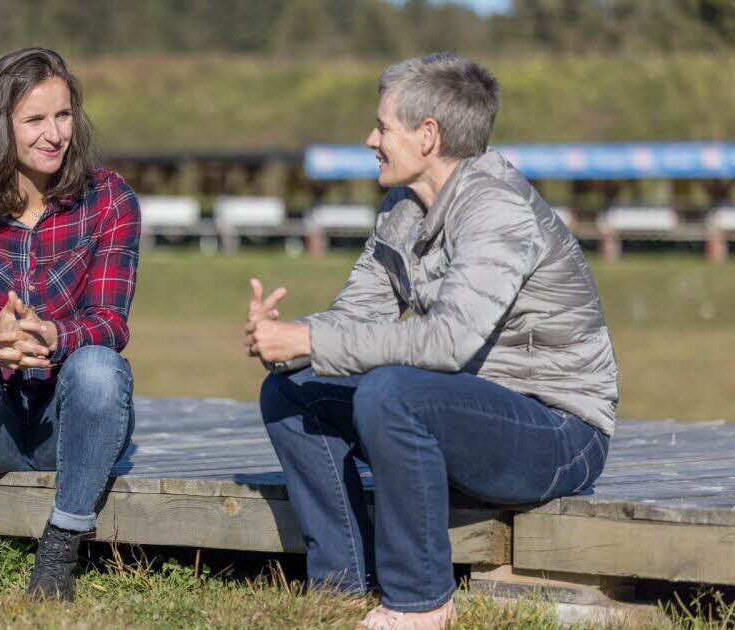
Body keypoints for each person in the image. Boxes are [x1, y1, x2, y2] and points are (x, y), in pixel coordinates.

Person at [245, 52, 618, 629]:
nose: (370, 138)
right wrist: (286, 343)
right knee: (295, 392)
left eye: (382, 126)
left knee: (390, 393)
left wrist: (311, 337)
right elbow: (355, 315)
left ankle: (420, 601)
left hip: (559, 431)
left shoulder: (498, 208)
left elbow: (448, 343)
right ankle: (341, 585)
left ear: (427, 135)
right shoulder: (402, 210)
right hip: (461, 412)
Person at [0, 47, 140, 600]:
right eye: (35, 119)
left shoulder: (110, 200)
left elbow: (112, 323)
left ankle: (60, 550)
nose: (55, 134)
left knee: (100, 368)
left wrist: (59, 336)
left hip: (70, 425)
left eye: (63, 116)